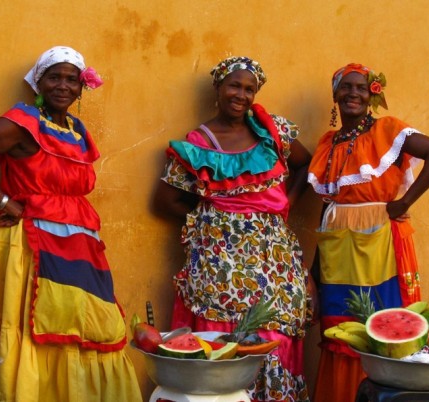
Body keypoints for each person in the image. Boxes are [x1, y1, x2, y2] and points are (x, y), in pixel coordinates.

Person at [0, 46, 142, 402]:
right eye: (54, 77)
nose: (63, 86)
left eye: (71, 79)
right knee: (33, 325)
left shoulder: (77, 130)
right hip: (31, 242)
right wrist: (4, 200)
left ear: (82, 87)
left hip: (80, 245)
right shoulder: (24, 122)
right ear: (39, 82)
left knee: (88, 324)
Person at [153, 56, 313, 401]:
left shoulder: (274, 132)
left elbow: (306, 165)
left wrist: (287, 202)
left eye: (249, 89)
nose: (240, 95)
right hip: (218, 262)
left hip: (274, 259)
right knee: (222, 339)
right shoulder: (199, 141)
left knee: (275, 334)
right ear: (218, 88)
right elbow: (164, 200)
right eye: (234, 86)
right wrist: (213, 219)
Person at [307, 63, 429, 402]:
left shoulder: (387, 130)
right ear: (335, 95)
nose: (353, 93)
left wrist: (403, 203)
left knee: (380, 325)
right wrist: (314, 271)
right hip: (336, 247)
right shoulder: (328, 142)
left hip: (379, 240)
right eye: (346, 87)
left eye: (361, 87)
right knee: (340, 328)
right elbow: (327, 206)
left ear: (373, 93)